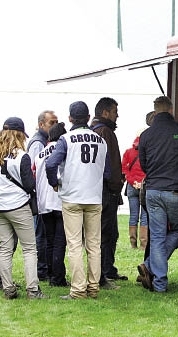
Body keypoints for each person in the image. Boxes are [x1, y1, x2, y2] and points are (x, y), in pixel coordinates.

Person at [46, 101, 109, 299]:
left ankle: (78, 289)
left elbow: (51, 164)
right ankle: (93, 287)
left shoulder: (66, 139)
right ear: (89, 118)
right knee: (94, 245)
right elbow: (104, 170)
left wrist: (55, 183)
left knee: (74, 245)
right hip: (94, 197)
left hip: (72, 196)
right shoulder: (101, 141)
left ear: (70, 118)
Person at [136, 96, 178, 293]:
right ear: (171, 109)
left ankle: (156, 276)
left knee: (157, 236)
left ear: (154, 111)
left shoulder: (146, 135)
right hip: (174, 191)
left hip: (153, 191)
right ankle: (154, 274)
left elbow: (143, 164)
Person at [0, 117, 48, 299]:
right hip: (19, 206)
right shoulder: (22, 156)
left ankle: (8, 288)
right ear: (20, 134)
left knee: (4, 249)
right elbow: (29, 184)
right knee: (29, 248)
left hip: (1, 207)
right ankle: (33, 290)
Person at [90, 97, 127, 289]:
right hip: (107, 190)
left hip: (104, 189)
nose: (117, 115)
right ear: (105, 113)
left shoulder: (98, 131)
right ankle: (104, 272)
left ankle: (108, 269)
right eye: (114, 111)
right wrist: (115, 184)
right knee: (106, 232)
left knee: (110, 232)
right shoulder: (104, 131)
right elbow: (109, 163)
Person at [33, 122, 68, 287]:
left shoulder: (40, 153)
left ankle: (50, 273)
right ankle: (58, 278)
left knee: (49, 241)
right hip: (58, 200)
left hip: (43, 203)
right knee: (60, 241)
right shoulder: (62, 150)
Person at [27, 110, 58, 282]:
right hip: (41, 197)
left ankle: (45, 268)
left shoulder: (44, 142)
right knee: (41, 234)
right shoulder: (38, 144)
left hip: (43, 197)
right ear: (41, 124)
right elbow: (32, 171)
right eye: (51, 123)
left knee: (45, 234)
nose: (55, 125)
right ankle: (42, 269)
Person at [122, 134, 147, 250]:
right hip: (145, 186)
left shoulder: (128, 152)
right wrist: (141, 182)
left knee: (133, 215)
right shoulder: (149, 152)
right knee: (145, 216)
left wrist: (133, 182)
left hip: (131, 187)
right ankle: (144, 245)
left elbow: (124, 170)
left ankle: (133, 244)